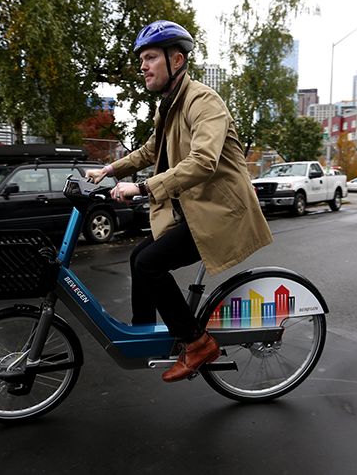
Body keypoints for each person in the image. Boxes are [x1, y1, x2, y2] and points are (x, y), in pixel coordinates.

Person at [86, 20, 273, 382]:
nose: (143, 66)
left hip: (221, 214)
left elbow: (203, 161)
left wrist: (140, 189)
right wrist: (110, 169)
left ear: (177, 60)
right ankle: (143, 335)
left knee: (149, 264)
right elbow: (149, 151)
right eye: (142, 58)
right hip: (194, 211)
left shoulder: (204, 101)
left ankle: (197, 342)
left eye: (151, 57)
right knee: (139, 256)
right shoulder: (168, 107)